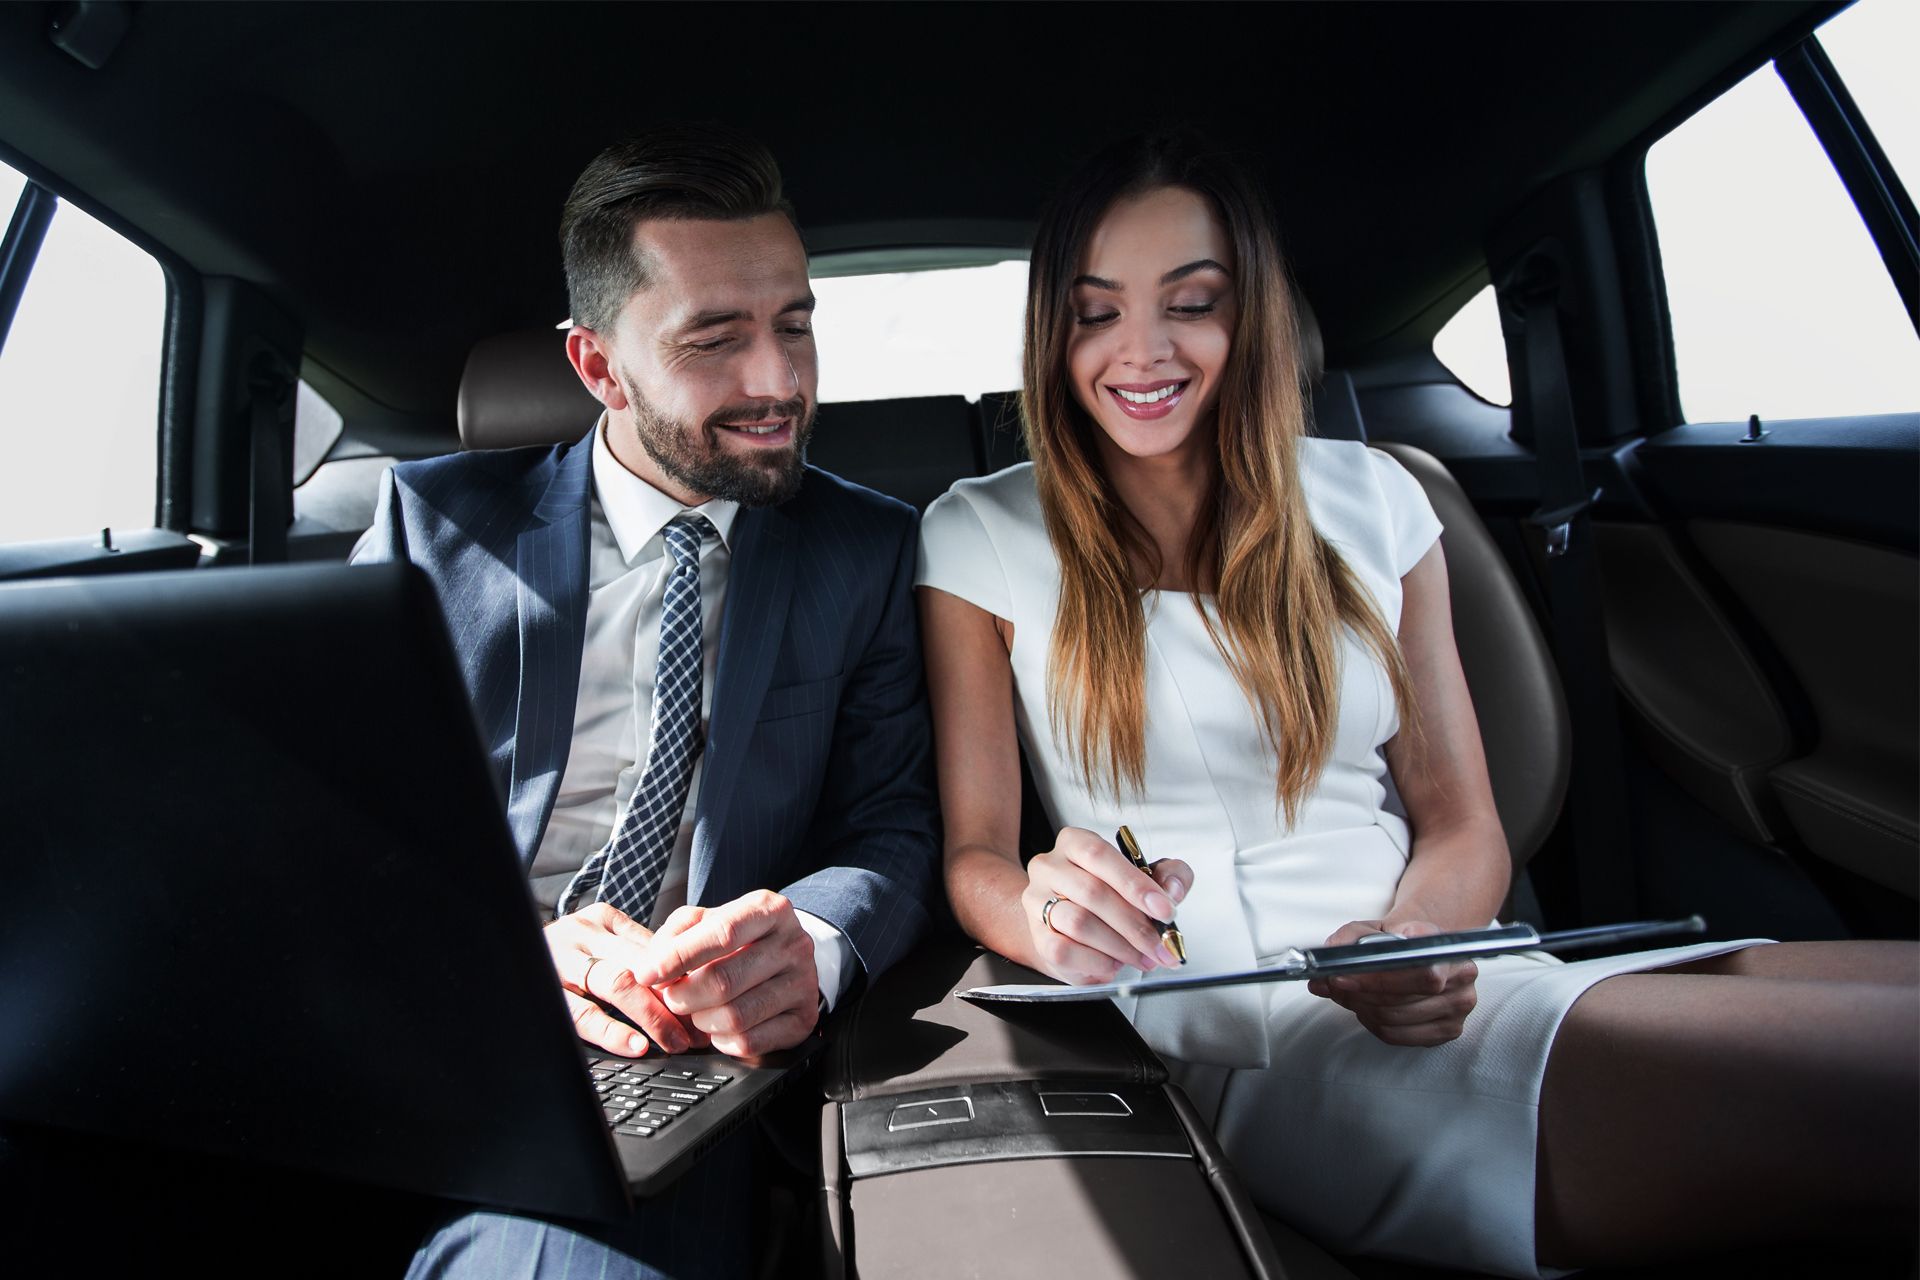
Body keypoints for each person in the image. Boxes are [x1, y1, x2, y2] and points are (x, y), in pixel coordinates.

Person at [915, 130, 1917, 1278]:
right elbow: (977, 855)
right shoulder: (981, 530)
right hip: (1245, 1039)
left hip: (1463, 973)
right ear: (1056, 332)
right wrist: (1045, 909)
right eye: (1096, 313)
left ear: (1254, 316)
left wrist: (1414, 944)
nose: (1140, 350)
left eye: (1191, 301)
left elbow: (1461, 824)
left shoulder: (1377, 496)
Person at [353, 123, 940, 1279]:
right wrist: (508, 958)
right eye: (715, 340)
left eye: (795, 326)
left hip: (668, 1062)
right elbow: (343, 827)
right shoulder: (435, 525)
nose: (777, 381)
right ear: (599, 367)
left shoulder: (865, 549)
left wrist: (810, 944)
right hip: (419, 1027)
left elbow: (896, 823)